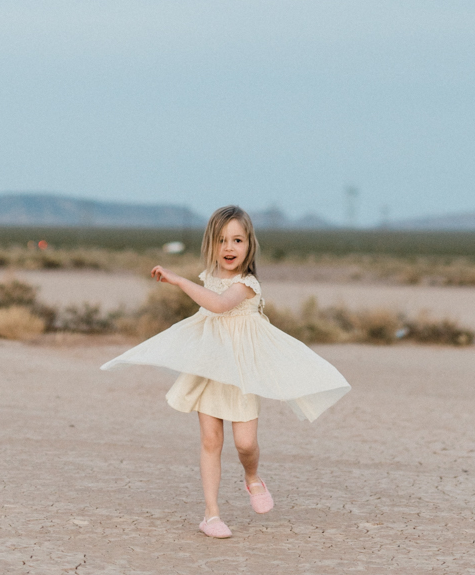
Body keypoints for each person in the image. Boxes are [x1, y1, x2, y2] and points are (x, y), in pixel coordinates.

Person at [101, 204, 350, 538]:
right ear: (211, 244)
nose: (229, 248)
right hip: (210, 368)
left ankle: (252, 478)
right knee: (211, 440)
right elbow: (207, 311)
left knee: (245, 444)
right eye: (222, 240)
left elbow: (218, 304)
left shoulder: (248, 284)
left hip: (242, 372)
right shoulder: (209, 279)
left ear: (249, 246)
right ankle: (211, 515)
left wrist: (177, 280)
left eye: (237, 240)